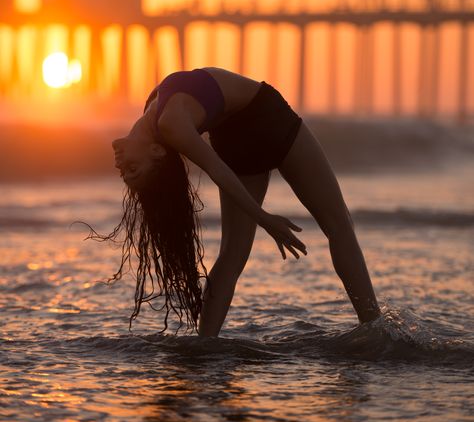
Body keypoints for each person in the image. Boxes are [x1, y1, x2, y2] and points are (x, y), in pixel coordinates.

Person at [107, 66, 380, 336]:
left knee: (232, 254)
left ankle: (206, 342)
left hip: (234, 140)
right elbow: (217, 171)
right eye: (132, 170)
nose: (121, 166)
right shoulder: (169, 124)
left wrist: (262, 217)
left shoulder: (156, 114)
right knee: (339, 225)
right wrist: (264, 219)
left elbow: (218, 166)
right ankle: (373, 326)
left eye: (128, 171)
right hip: (267, 120)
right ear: (156, 151)